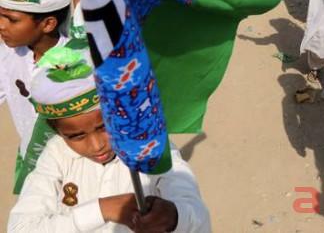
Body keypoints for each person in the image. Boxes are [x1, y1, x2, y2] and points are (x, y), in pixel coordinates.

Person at [7, 44, 211, 232]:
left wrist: (173, 217)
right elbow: (21, 228)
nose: (97, 146)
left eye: (105, 127)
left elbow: (195, 212)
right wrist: (102, 209)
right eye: (76, 136)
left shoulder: (150, 146)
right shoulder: (56, 154)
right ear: (57, 131)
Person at [0, 0, 73, 194]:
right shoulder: (7, 54)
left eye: (11, 19)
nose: (1, 25)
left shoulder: (78, 62)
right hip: (32, 161)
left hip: (75, 166)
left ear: (48, 23)